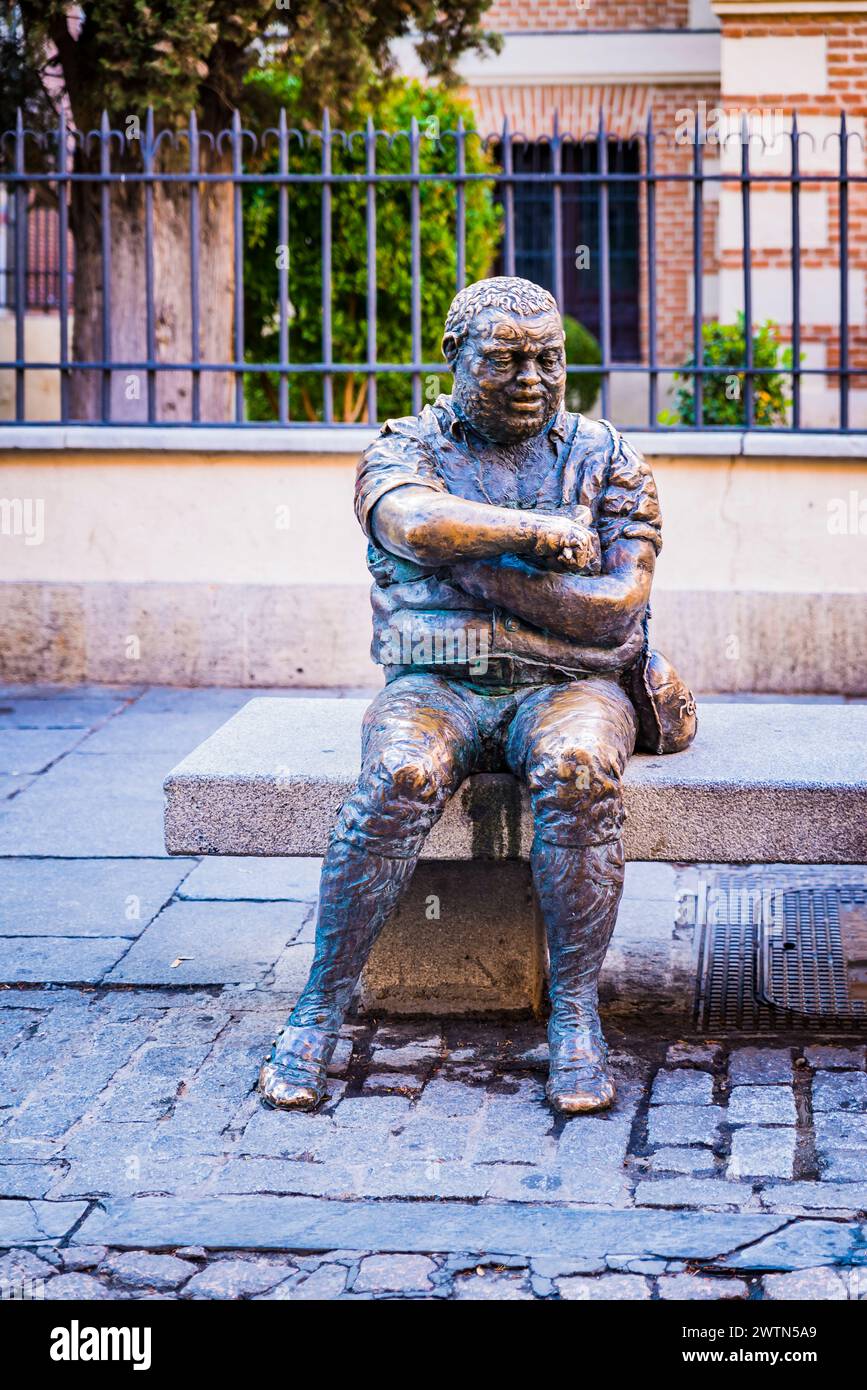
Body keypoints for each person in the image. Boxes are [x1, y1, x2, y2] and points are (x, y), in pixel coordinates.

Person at [259, 276, 696, 1115]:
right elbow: (414, 525)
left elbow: (614, 612)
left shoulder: (608, 457)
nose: (531, 377)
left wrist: (467, 570)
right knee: (397, 779)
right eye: (504, 359)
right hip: (435, 685)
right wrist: (537, 541)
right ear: (454, 359)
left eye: (548, 359)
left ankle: (574, 1017)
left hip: (568, 689)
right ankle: (316, 1011)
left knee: (578, 770)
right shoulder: (403, 448)